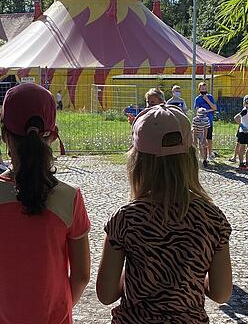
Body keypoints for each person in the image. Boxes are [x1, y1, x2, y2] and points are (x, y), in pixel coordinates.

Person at [0, 83, 91, 324]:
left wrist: (10, 303)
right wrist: (58, 307)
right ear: (53, 135)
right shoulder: (70, 197)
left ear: (4, 135)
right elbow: (81, 276)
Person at [96, 104, 233, 320]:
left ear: (137, 161)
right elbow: (221, 293)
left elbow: (106, 294)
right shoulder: (212, 218)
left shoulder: (125, 219)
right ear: (189, 158)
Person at [193, 82, 217, 166]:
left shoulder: (210, 97)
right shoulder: (197, 99)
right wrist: (207, 110)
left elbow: (214, 108)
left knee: (209, 139)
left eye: (205, 88)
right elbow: (197, 110)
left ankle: (210, 154)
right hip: (200, 123)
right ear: (199, 89)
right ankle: (202, 155)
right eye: (202, 88)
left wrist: (207, 100)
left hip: (209, 121)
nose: (203, 90)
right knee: (201, 140)